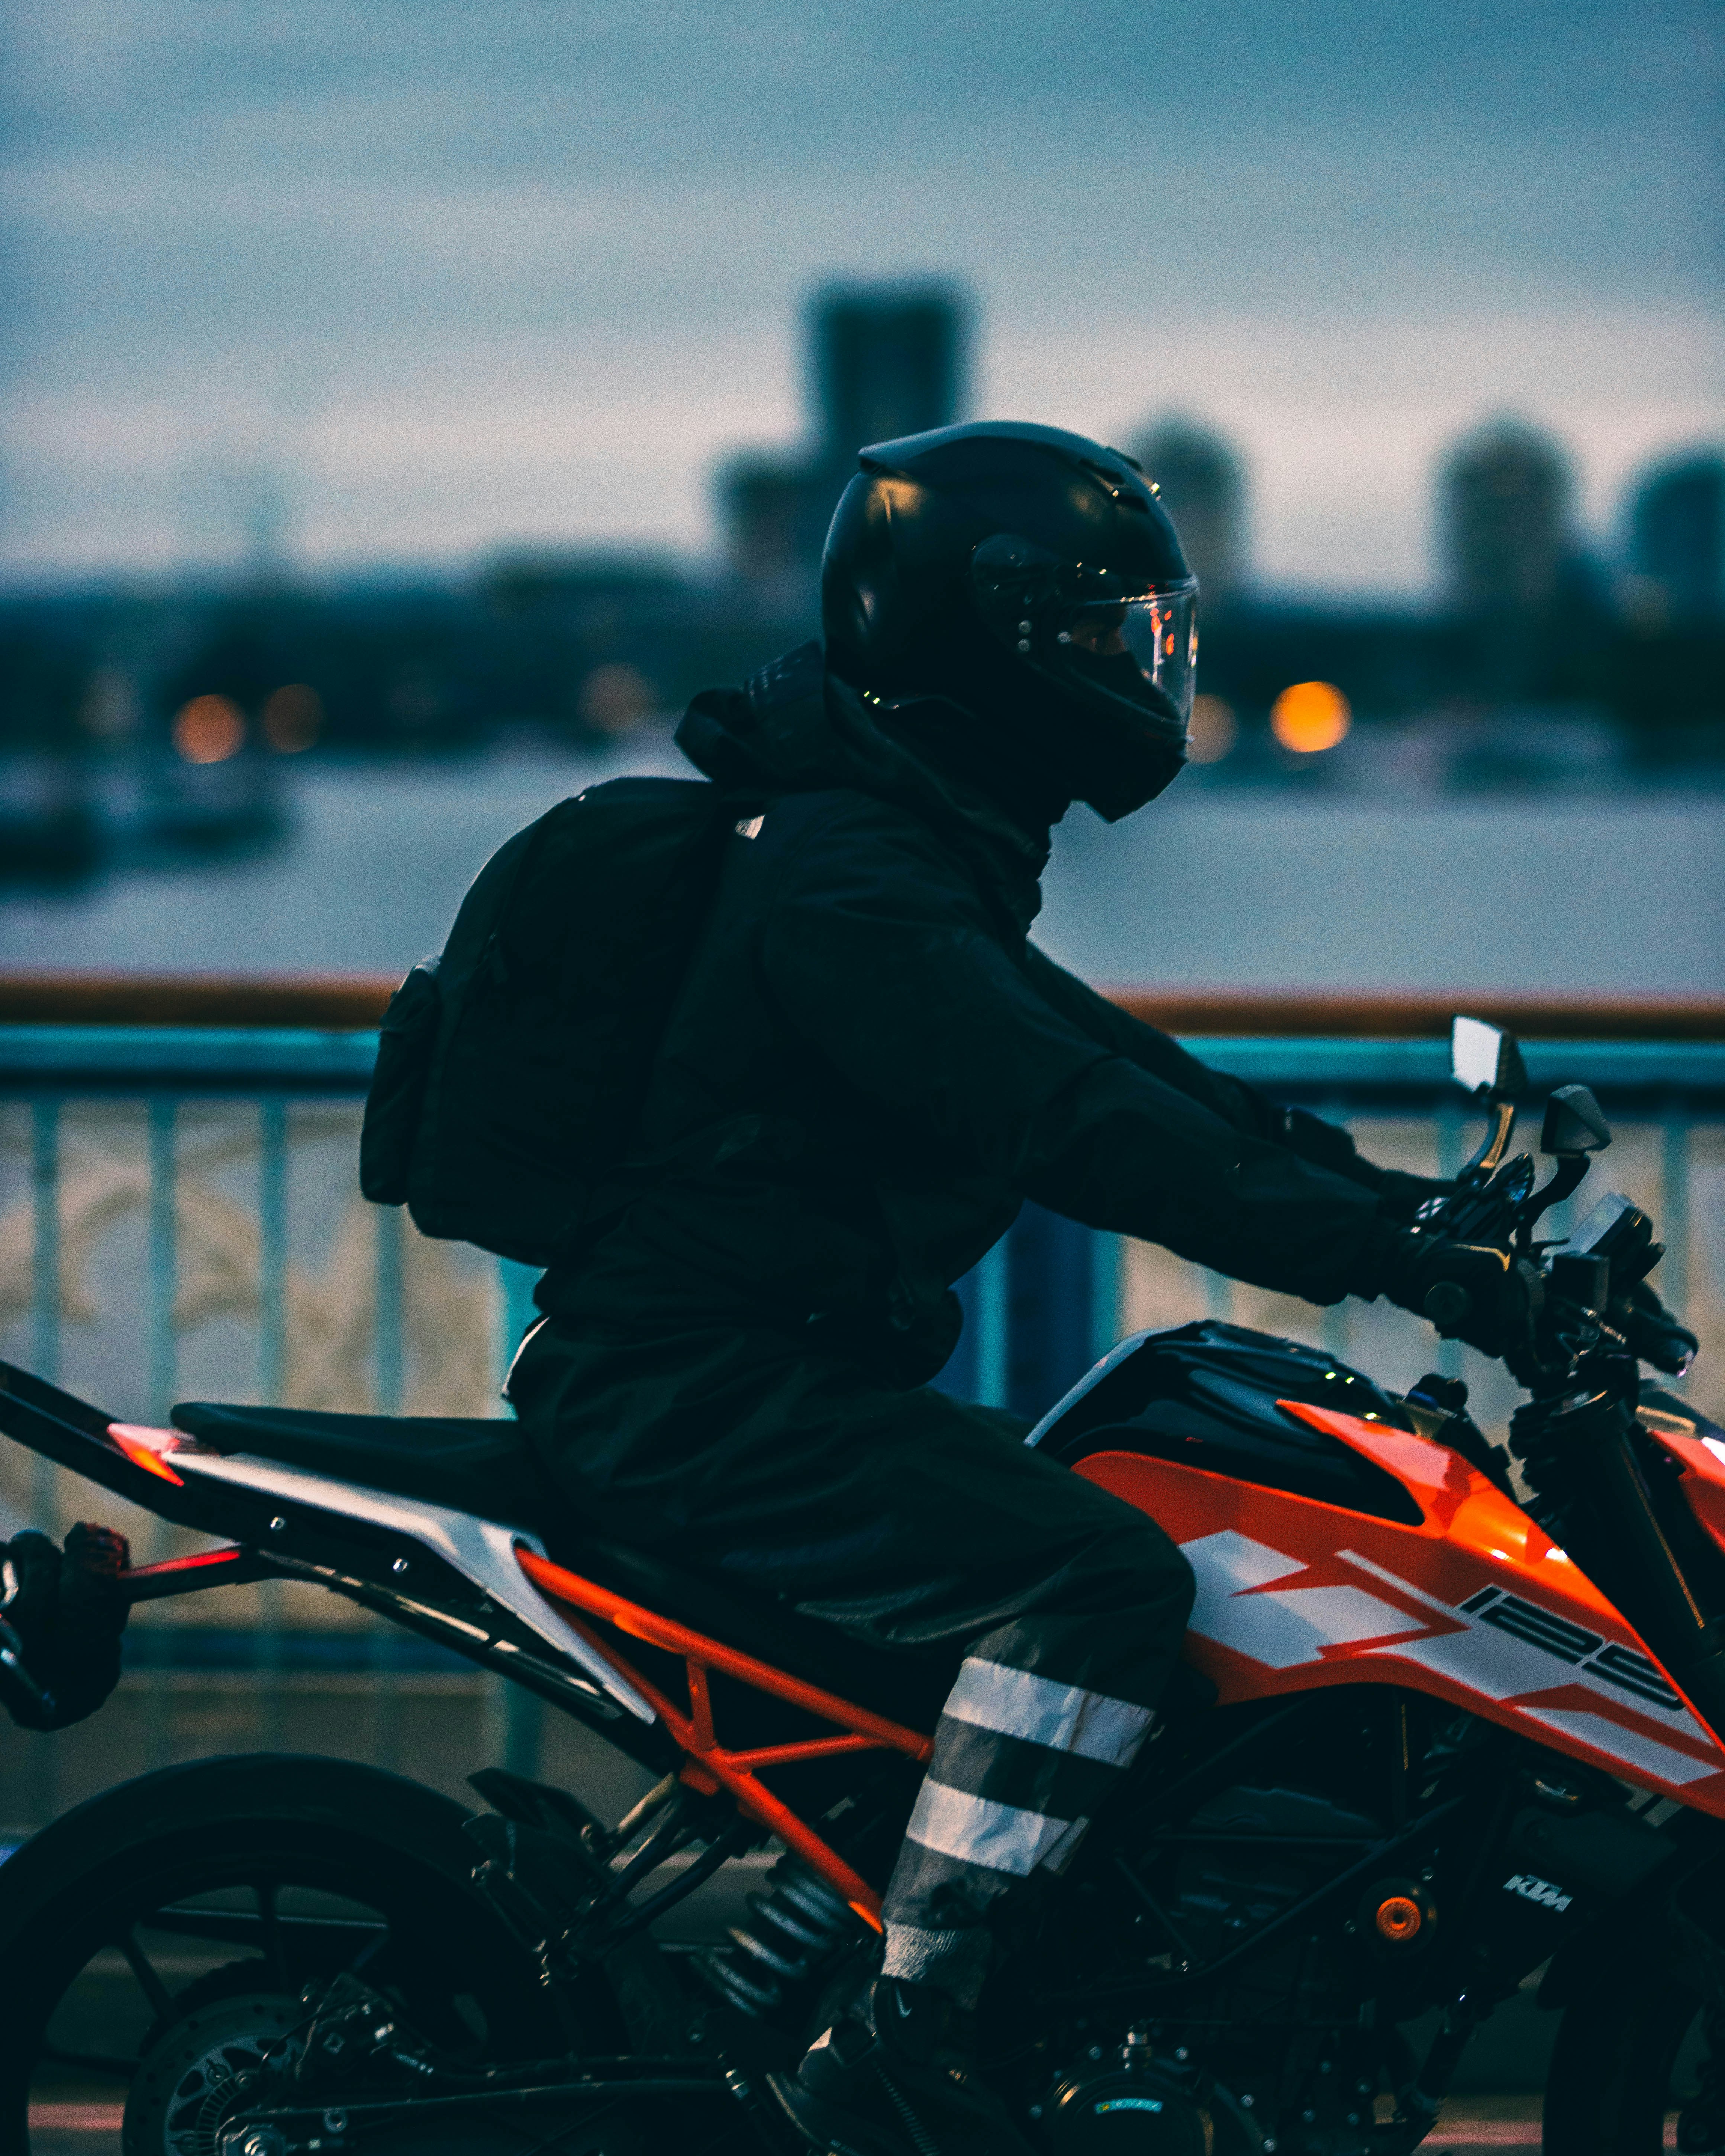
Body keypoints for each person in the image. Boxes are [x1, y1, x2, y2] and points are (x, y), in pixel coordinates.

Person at [505, 421, 1509, 2156]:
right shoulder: (847, 883)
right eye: (1107, 635)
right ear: (988, 642)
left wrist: (1408, 1211)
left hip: (754, 1374)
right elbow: (1065, 1116)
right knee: (1094, 1572)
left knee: (1139, 1482)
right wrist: (1386, 1257)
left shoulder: (894, 841)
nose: (1140, 670)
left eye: (1148, 634)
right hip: (695, 1397)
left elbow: (1122, 1070)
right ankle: (911, 2030)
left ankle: (921, 1968)